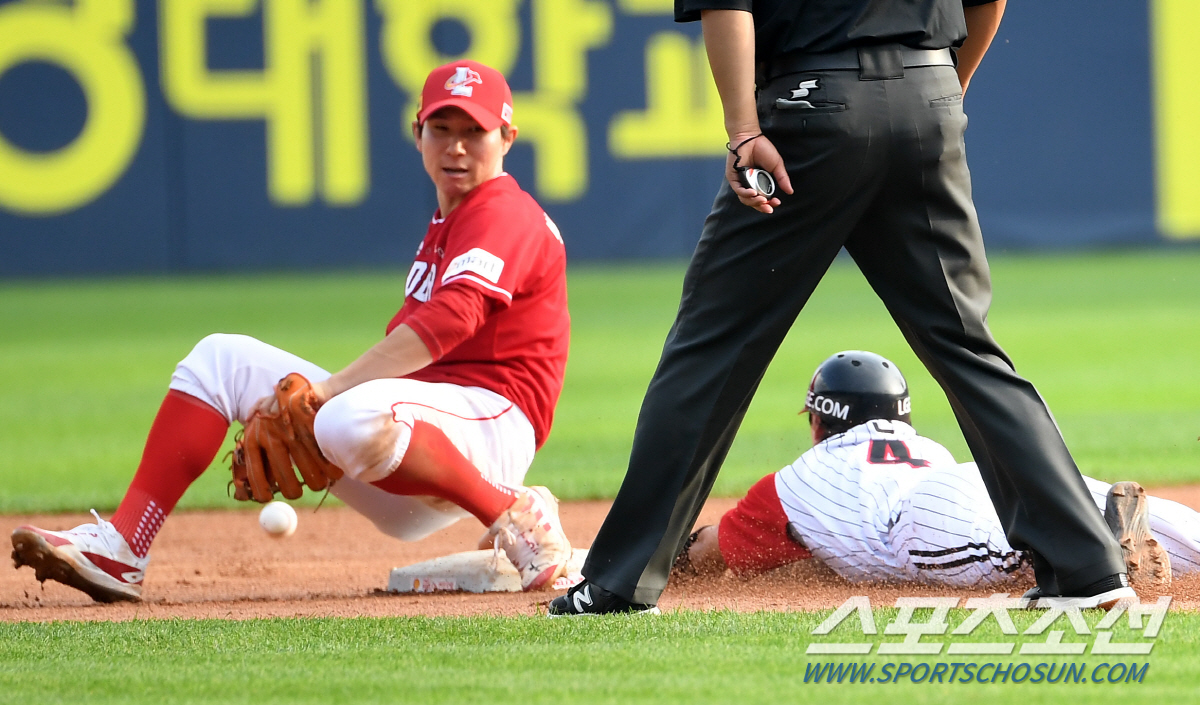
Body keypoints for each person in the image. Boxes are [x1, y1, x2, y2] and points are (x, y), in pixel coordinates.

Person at [550, 0, 1134, 616]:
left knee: (710, 350)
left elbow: (729, 6)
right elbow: (987, 2)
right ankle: (1085, 566)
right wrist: (936, 97)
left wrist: (745, 130)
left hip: (811, 108)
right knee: (968, 346)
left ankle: (620, 582)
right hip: (929, 91)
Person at [11, 60, 574, 603]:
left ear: (507, 137)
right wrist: (317, 416)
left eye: (474, 130)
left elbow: (453, 319)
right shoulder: (449, 219)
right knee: (221, 360)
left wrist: (331, 390)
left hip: (492, 425)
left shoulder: (504, 212)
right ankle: (123, 546)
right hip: (413, 449)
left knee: (340, 411)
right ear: (417, 133)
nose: (455, 145)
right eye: (442, 128)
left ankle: (513, 512)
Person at [673, 352, 1192, 605]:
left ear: (819, 420)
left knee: (1014, 552)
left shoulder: (790, 484)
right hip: (978, 481)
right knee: (1074, 502)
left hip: (920, 523)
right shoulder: (924, 446)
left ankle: (1104, 548)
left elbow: (709, 554)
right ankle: (1115, 526)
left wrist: (671, 558)